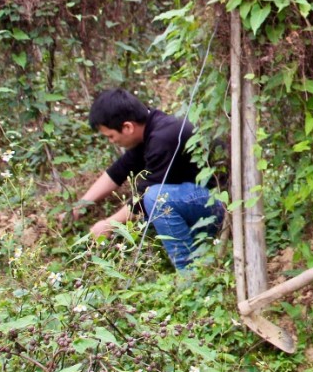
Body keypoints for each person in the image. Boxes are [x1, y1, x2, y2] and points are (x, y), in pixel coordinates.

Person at [78, 88, 222, 271]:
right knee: (151, 201)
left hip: (220, 206)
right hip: (196, 200)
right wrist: (79, 205)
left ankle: (189, 272)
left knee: (154, 198)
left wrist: (108, 225)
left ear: (127, 127)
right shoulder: (150, 128)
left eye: (111, 136)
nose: (111, 141)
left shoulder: (164, 138)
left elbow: (143, 198)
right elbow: (118, 172)